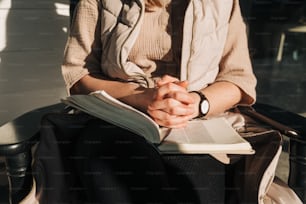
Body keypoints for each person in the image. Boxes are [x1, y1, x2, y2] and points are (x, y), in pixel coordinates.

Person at [61, 0, 257, 203]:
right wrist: (138, 96)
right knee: (116, 171)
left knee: (196, 191)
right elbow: (78, 75)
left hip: (197, 129)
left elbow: (238, 79)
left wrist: (195, 103)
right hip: (118, 117)